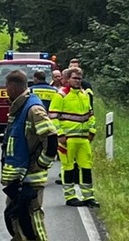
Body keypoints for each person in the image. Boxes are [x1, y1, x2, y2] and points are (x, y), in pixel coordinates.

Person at [1, 70, 58, 241]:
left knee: (31, 222)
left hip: (30, 179)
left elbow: (51, 137)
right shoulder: (19, 107)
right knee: (14, 216)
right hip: (18, 178)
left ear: (12, 87)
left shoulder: (33, 109)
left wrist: (40, 164)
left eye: (7, 87)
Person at [48, 67, 99, 207]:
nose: (78, 81)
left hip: (83, 138)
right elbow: (53, 117)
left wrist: (92, 131)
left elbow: (91, 116)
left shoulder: (84, 95)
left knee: (86, 167)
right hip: (68, 139)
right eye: (75, 78)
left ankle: (88, 196)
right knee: (68, 168)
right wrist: (60, 134)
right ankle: (70, 196)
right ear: (67, 79)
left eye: (79, 78)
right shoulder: (61, 95)